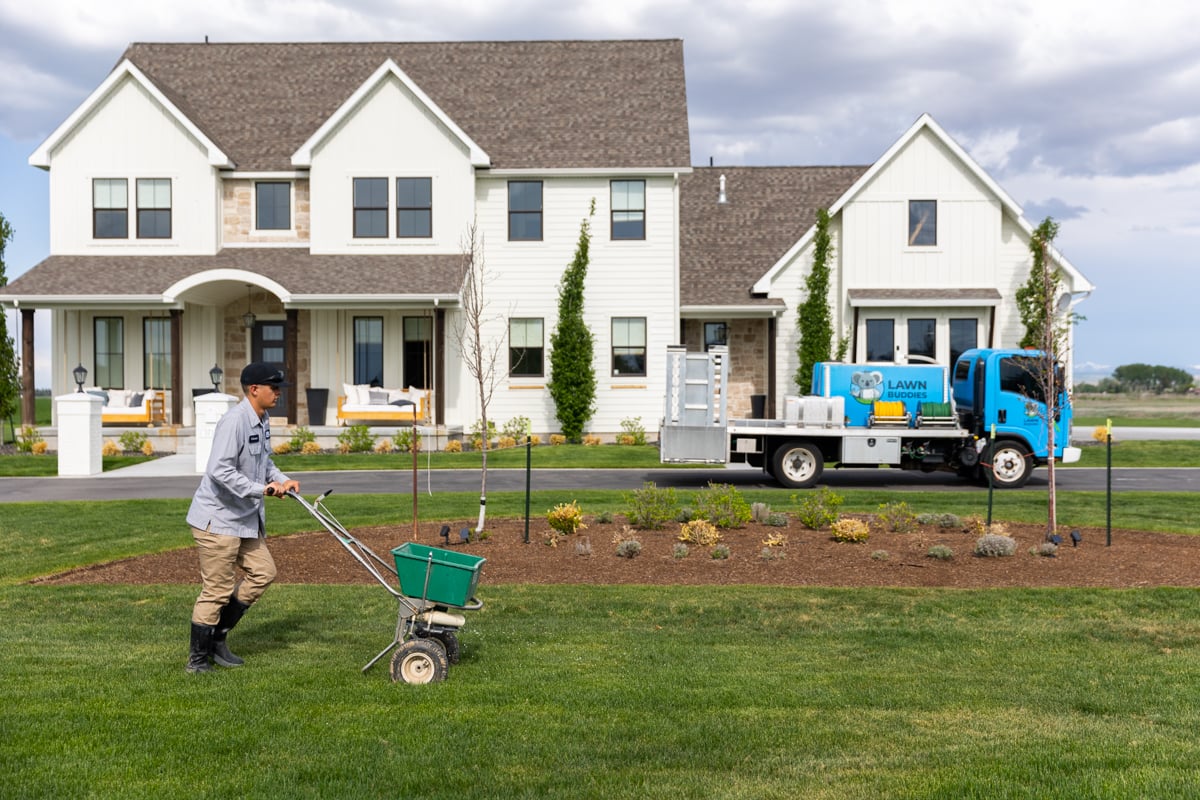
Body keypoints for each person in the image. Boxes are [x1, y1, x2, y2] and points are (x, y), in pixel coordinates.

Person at [184, 362, 300, 674]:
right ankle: (197, 661)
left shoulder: (263, 419)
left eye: (279, 389)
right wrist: (262, 490)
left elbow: (265, 461)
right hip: (217, 520)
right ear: (254, 390)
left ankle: (218, 637)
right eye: (273, 388)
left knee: (263, 572)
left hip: (244, 518)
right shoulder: (234, 422)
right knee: (217, 591)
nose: (278, 393)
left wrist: (282, 479)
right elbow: (219, 470)